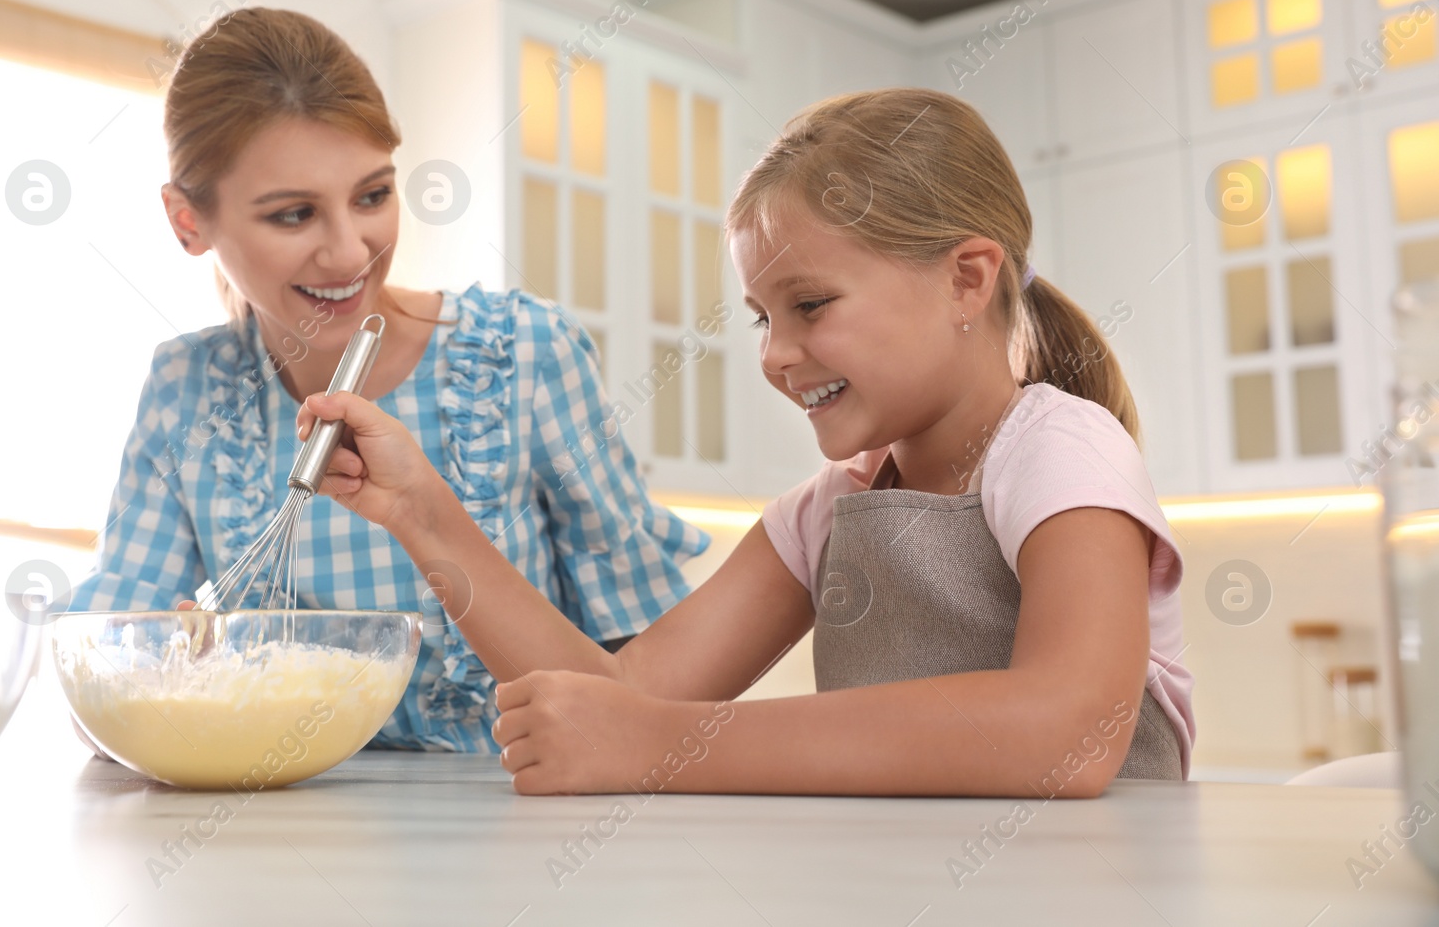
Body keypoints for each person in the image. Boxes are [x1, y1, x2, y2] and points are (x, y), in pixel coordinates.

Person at [297, 87, 1194, 795]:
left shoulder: (1060, 449)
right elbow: (630, 696)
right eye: (763, 317)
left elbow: (1068, 730)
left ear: (967, 280)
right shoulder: (828, 509)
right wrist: (421, 511)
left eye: (810, 305)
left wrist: (665, 746)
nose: (774, 354)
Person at [66, 7, 707, 753]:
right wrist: (164, 672)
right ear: (187, 222)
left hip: (528, 821)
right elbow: (104, 673)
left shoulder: (525, 354)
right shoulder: (187, 390)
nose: (349, 252)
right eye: (294, 214)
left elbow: (652, 679)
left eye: (372, 196)